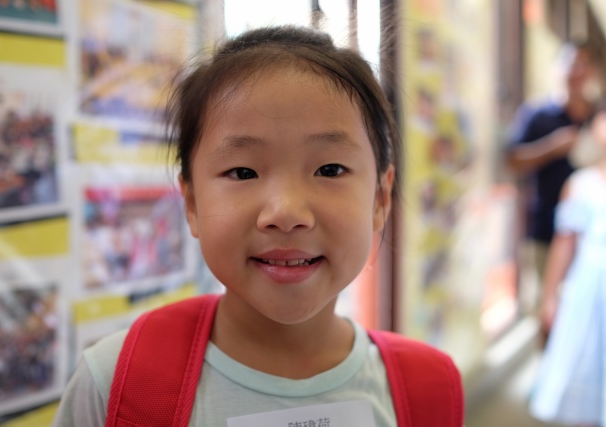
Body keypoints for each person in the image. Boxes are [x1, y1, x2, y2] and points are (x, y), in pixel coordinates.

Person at [52, 25, 463, 426]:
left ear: (380, 197)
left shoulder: (426, 391)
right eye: (243, 172)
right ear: (192, 203)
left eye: (330, 169)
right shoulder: (116, 384)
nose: (286, 212)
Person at [506, 41, 598, 317]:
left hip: (591, 237)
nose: (577, 71)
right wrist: (553, 147)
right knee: (544, 310)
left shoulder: (597, 116)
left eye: (584, 65)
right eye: (572, 64)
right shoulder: (537, 114)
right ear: (560, 68)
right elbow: (512, 160)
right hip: (544, 230)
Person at [529, 101, 606, 426]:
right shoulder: (581, 183)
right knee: (584, 365)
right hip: (589, 294)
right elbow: (564, 245)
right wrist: (550, 297)